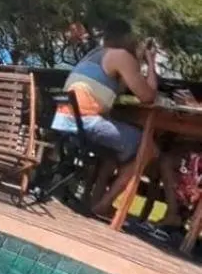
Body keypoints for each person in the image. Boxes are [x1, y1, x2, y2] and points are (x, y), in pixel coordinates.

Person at [52, 19, 176, 222]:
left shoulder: (93, 54)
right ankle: (103, 205)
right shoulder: (121, 56)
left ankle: (94, 200)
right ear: (127, 38)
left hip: (64, 121)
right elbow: (148, 97)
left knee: (114, 152)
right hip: (85, 123)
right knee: (149, 149)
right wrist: (150, 62)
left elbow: (115, 90)